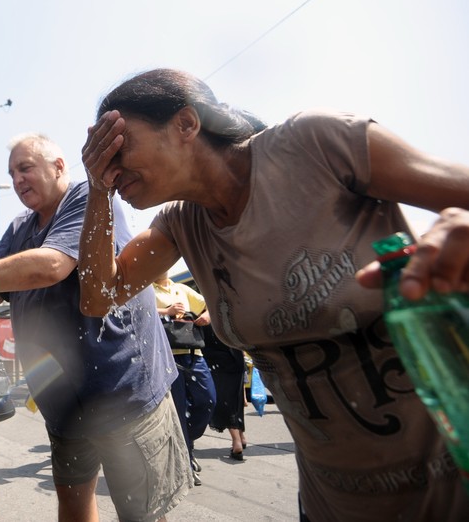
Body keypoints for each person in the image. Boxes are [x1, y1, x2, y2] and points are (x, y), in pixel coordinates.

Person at [78, 67, 469, 522]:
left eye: (118, 146)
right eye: (99, 157)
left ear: (186, 123)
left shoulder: (316, 144)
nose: (111, 168)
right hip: (331, 505)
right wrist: (97, 191)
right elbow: (99, 296)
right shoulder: (181, 225)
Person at [0, 134, 190, 522]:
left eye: (25, 168)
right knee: (73, 503)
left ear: (59, 166)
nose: (17, 180)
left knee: (141, 513)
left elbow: (51, 266)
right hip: (62, 399)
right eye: (12, 173)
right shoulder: (21, 226)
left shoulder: (89, 198)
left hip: (122, 389)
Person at [152, 275, 216, 484]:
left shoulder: (182, 288)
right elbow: (136, 312)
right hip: (167, 357)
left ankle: (187, 440)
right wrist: (167, 312)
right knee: (179, 410)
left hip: (194, 354)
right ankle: (186, 463)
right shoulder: (146, 289)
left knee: (208, 400)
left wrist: (207, 316)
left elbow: (211, 304)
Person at [202, 324, 248, 461]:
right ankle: (241, 437)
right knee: (236, 400)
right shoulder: (229, 314)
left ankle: (236, 442)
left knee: (224, 402)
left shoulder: (205, 316)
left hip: (217, 360)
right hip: (236, 357)